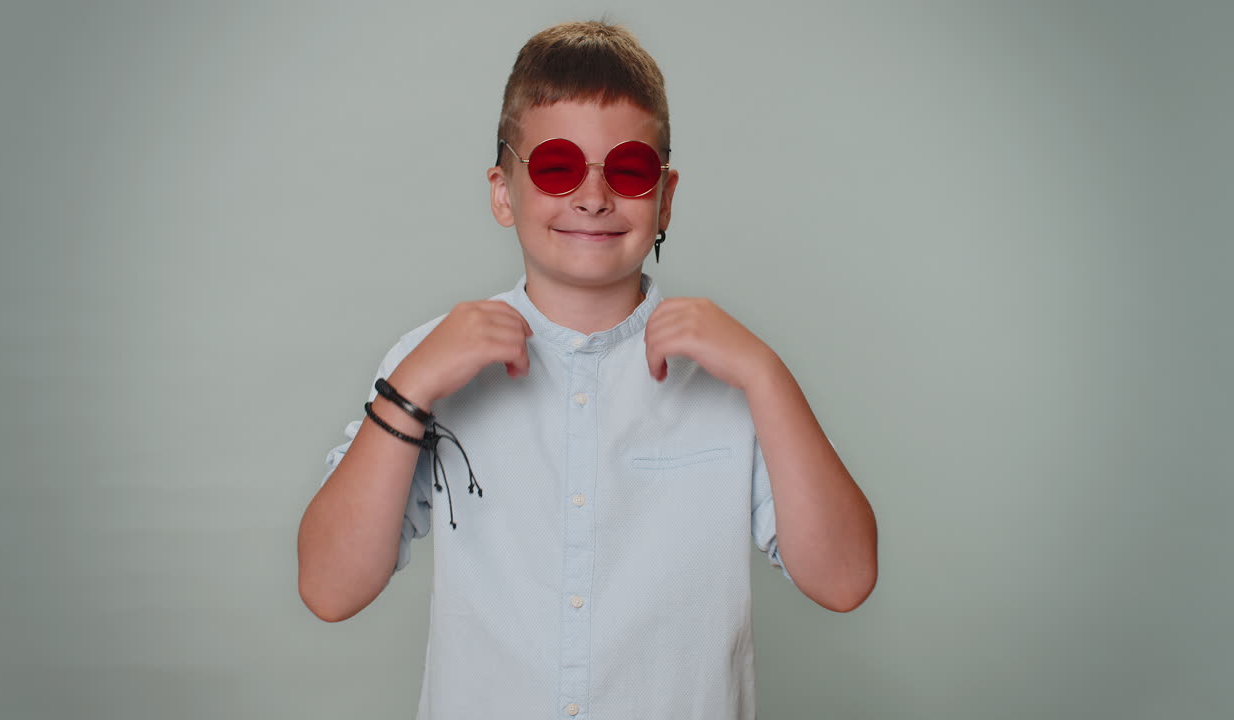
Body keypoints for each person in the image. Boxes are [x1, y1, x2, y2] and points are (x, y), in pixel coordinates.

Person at [297, 19, 877, 720]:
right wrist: (411, 388)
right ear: (503, 190)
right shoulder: (424, 365)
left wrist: (766, 374)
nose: (594, 197)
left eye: (628, 170)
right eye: (556, 167)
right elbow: (329, 589)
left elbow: (845, 580)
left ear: (664, 197)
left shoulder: (734, 376)